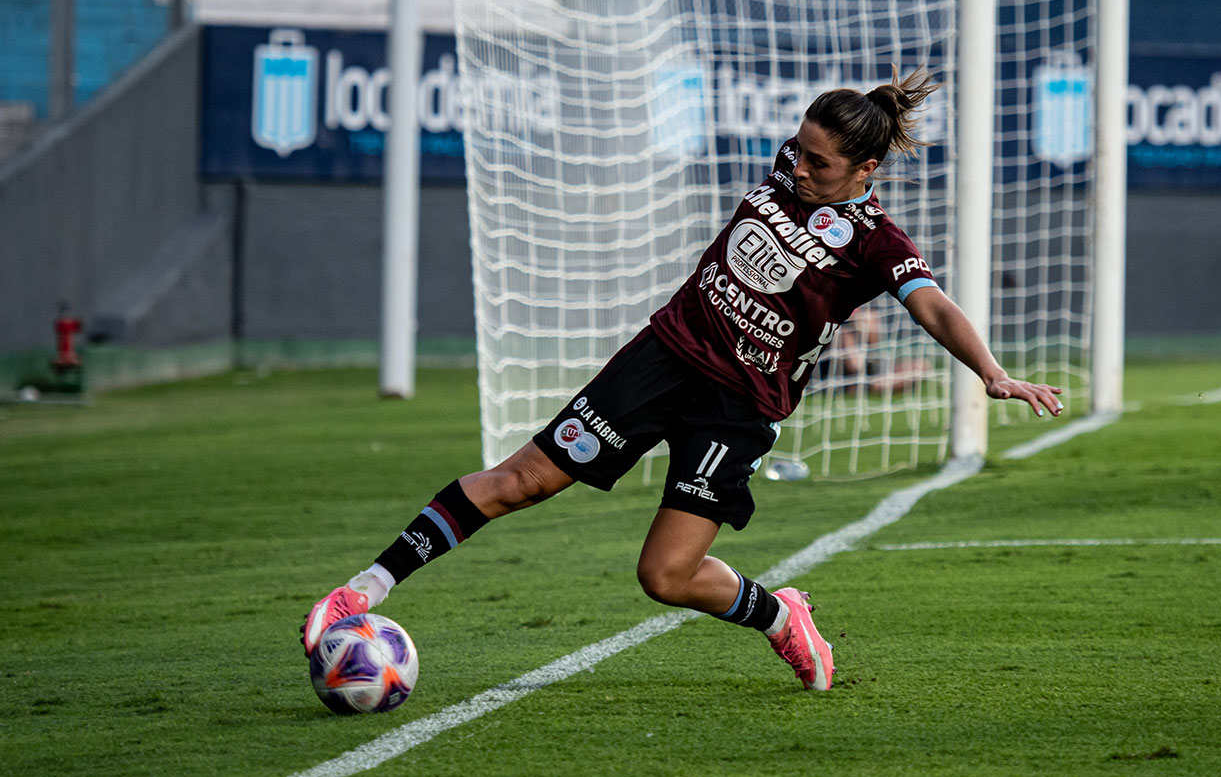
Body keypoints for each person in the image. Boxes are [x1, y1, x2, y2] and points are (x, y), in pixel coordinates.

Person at [301, 68, 1064, 690]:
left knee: (664, 576)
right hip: (664, 357)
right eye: (796, 150)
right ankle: (362, 591)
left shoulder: (875, 243)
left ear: (865, 170)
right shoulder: (786, 168)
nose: (798, 167)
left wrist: (993, 373)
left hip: (739, 407)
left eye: (818, 163)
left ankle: (780, 617)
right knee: (517, 481)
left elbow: (930, 304)